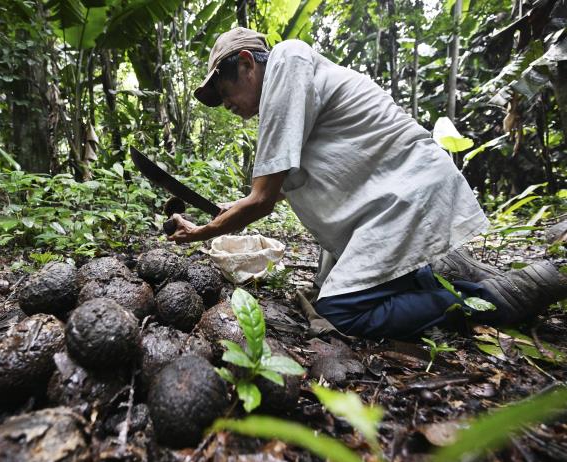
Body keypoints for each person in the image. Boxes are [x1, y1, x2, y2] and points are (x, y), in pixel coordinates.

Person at [168, 27, 567, 339]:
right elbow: (281, 189)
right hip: (394, 201)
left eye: (224, 91)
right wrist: (230, 212)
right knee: (348, 288)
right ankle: (447, 279)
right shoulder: (291, 93)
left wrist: (207, 231)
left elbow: (262, 200)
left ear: (247, 62)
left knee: (342, 310)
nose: (229, 106)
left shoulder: (287, 61)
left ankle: (490, 300)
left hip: (406, 194)